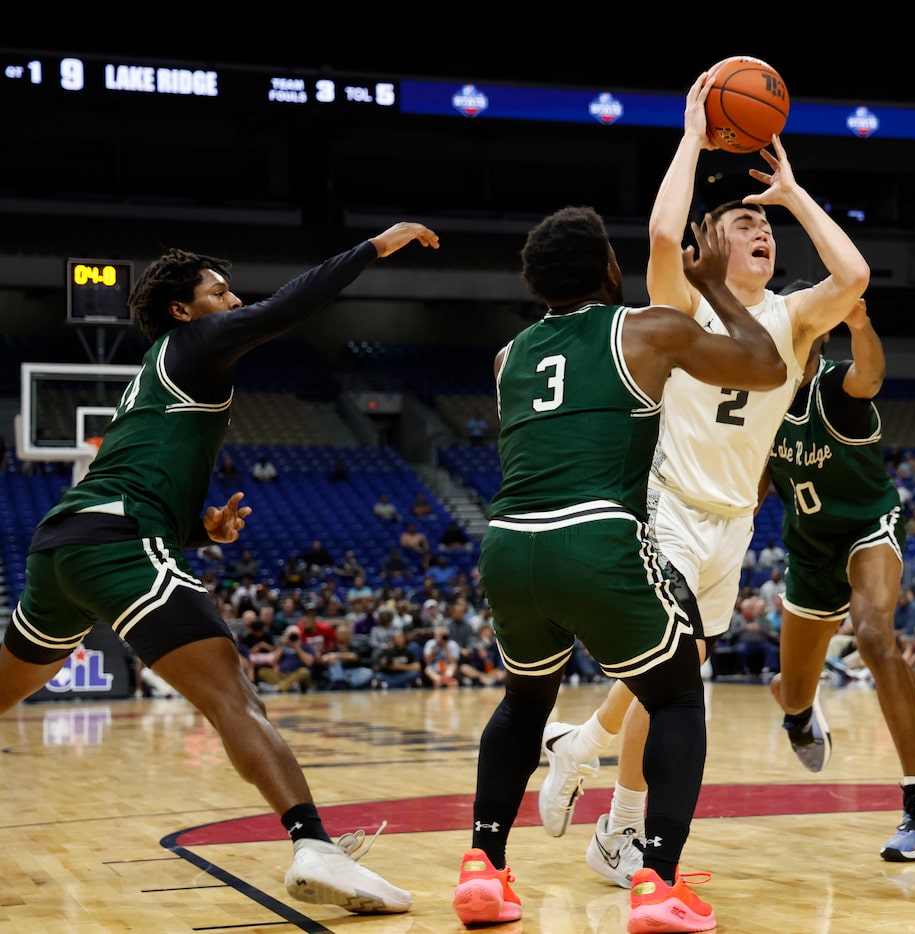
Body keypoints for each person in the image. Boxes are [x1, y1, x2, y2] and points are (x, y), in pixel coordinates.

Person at [3, 222, 437, 913]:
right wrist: (372, 248)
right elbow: (291, 306)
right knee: (233, 695)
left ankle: (316, 844)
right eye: (219, 290)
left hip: (61, 545)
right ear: (184, 310)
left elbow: (139, 470)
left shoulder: (161, 372)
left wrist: (197, 532)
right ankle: (314, 846)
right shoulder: (197, 342)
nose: (234, 300)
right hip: (117, 541)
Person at [535, 68, 871, 895]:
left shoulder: (792, 315)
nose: (761, 231)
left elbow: (855, 277)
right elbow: (657, 238)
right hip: (666, 507)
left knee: (671, 678)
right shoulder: (683, 308)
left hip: (732, 523)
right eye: (744, 221)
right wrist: (690, 136)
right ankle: (618, 826)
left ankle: (592, 766)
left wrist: (792, 194)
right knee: (675, 671)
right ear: (713, 244)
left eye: (767, 226)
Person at [449, 202, 787, 932]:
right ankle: (657, 879)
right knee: (673, 697)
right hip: (596, 535)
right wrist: (716, 289)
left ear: (536, 283)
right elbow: (765, 367)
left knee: (522, 702)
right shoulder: (643, 328)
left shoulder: (509, 356)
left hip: (507, 543)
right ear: (610, 269)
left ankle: (483, 867)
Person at [760, 295, 915, 858]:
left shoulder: (836, 389)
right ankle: (797, 707)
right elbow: (754, 488)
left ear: (815, 341)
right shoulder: (758, 405)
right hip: (809, 550)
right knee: (792, 690)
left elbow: (872, 373)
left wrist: (861, 322)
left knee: (873, 634)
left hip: (869, 526)